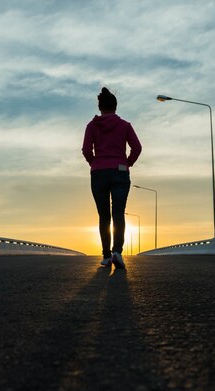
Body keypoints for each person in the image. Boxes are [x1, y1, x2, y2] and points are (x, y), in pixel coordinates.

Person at [82, 87, 142, 268]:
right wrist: (127, 163)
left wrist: (95, 163)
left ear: (100, 107)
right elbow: (137, 148)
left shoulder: (92, 126)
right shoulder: (125, 125)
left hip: (99, 173)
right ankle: (117, 252)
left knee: (104, 216)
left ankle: (106, 256)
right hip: (120, 172)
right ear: (116, 107)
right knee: (118, 213)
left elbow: (86, 150)